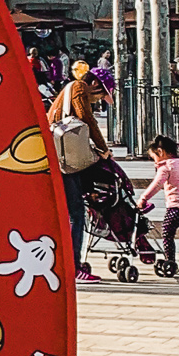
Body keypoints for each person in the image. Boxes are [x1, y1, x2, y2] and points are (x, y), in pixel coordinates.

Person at [47, 60, 108, 284]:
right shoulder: (80, 88)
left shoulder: (68, 89)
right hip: (64, 161)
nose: (99, 100)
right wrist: (103, 149)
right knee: (76, 214)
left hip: (59, 157)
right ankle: (73, 267)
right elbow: (85, 118)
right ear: (94, 84)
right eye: (101, 94)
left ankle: (69, 263)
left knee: (69, 213)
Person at [141, 133, 179, 278]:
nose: (154, 161)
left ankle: (171, 263)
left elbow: (156, 185)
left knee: (167, 235)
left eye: (154, 157)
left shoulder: (166, 167)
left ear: (160, 152)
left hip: (176, 208)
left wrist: (143, 198)